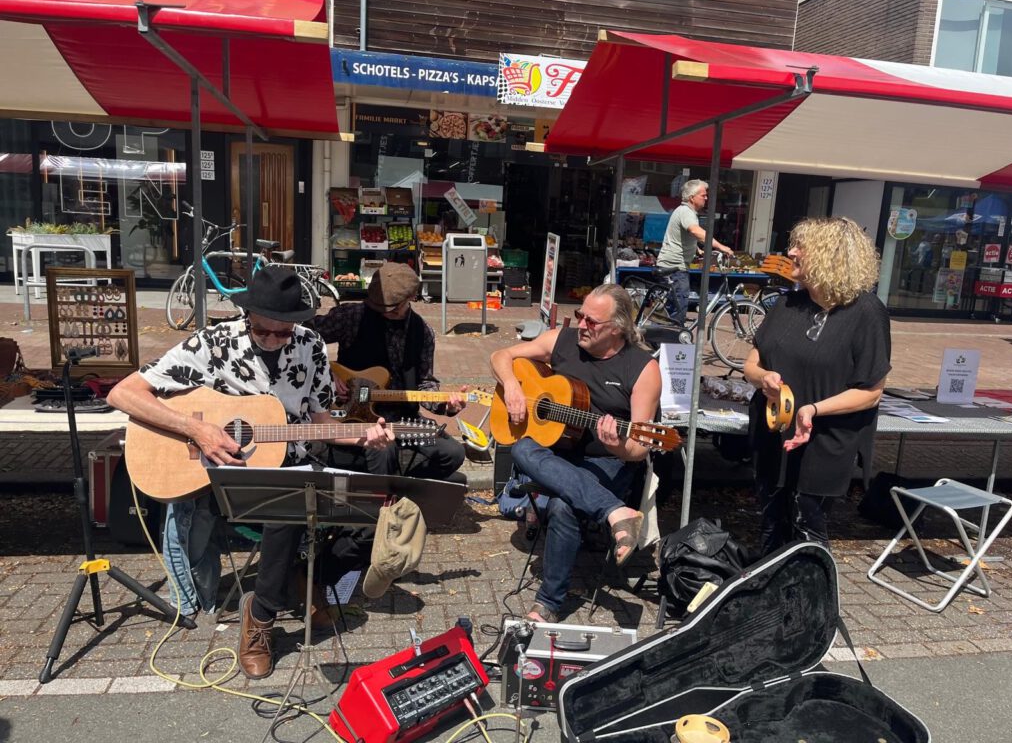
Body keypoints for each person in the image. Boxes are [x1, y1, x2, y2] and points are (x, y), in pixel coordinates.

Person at [108, 266, 392, 679]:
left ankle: (307, 575)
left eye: (283, 333)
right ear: (248, 317)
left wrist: (363, 435)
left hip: (293, 462)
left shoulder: (310, 344)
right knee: (288, 506)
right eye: (263, 332)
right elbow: (123, 393)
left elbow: (319, 420)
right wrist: (197, 429)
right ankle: (261, 616)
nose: (274, 340)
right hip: (228, 475)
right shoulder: (214, 343)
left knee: (369, 493)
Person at [489, 283, 660, 623]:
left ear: (617, 328)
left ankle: (547, 604)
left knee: (564, 505)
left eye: (591, 321)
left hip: (607, 461)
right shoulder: (561, 341)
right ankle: (615, 512)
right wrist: (511, 385)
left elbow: (639, 449)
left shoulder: (643, 369)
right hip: (556, 457)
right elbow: (500, 356)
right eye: (580, 315)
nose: (581, 324)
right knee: (521, 447)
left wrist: (615, 443)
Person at [743, 217, 891, 555]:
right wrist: (763, 378)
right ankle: (770, 587)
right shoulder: (787, 304)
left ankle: (810, 589)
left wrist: (813, 409)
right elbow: (751, 364)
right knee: (770, 528)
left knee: (807, 533)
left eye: (801, 247)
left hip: (824, 441)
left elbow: (871, 392)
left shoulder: (867, 312)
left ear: (830, 256)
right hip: (773, 434)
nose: (791, 252)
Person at [311, 262, 466, 481]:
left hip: (404, 418)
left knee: (453, 453)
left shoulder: (423, 332)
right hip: (356, 416)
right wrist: (327, 372)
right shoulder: (352, 316)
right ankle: (384, 497)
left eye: (392, 308)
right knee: (383, 449)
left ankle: (402, 487)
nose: (384, 312)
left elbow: (424, 383)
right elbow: (304, 337)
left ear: (411, 297)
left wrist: (446, 405)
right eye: (378, 307)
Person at [657, 179, 734, 321]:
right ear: (692, 197)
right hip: (675, 268)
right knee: (678, 311)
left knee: (673, 307)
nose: (706, 198)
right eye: (703, 195)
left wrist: (697, 250)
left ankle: (667, 329)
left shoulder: (684, 211)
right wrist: (721, 246)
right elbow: (696, 231)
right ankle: (672, 333)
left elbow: (683, 236)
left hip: (672, 266)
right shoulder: (686, 212)